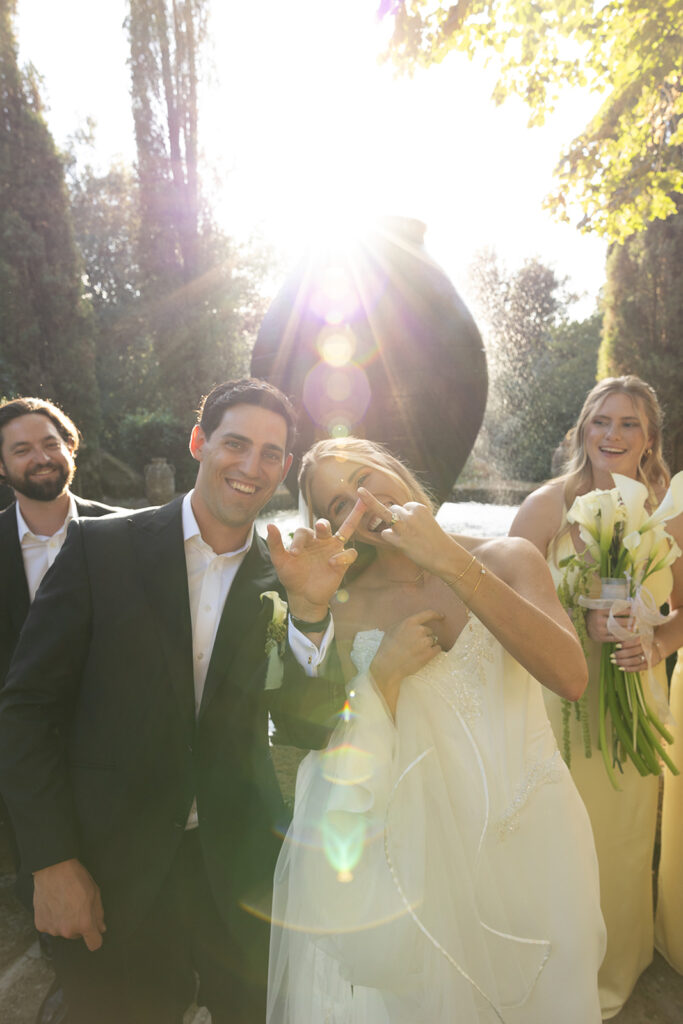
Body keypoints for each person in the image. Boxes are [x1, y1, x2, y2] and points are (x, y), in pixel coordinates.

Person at [0, 379, 355, 1024]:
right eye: (236, 444)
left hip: (238, 876)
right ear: (199, 442)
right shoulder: (100, 547)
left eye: (270, 454)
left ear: (283, 468)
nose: (251, 467)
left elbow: (307, 724)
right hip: (110, 869)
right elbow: (25, 709)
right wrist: (50, 860)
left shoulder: (285, 574)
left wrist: (310, 612)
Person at [267, 436, 606, 1024]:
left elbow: (570, 676)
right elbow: (322, 736)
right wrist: (359, 656)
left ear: (393, 467)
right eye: (340, 502)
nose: (362, 502)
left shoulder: (509, 557)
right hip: (421, 861)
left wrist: (447, 559)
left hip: (537, 838)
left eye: (364, 479)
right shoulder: (345, 601)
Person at [509, 375, 683, 1017]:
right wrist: (569, 620)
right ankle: (548, 964)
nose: (612, 434)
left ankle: (614, 966)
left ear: (650, 438)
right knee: (551, 834)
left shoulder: (668, 513)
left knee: (621, 838)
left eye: (629, 423)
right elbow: (500, 598)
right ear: (583, 429)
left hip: (635, 695)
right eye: (601, 420)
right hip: (554, 701)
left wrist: (657, 646)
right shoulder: (546, 507)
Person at [0, 396, 122, 1024]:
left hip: (115, 754)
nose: (39, 457)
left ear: (71, 448)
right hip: (23, 762)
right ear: (2, 465)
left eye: (50, 443)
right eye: (21, 448)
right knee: (46, 886)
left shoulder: (128, 534)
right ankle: (69, 982)